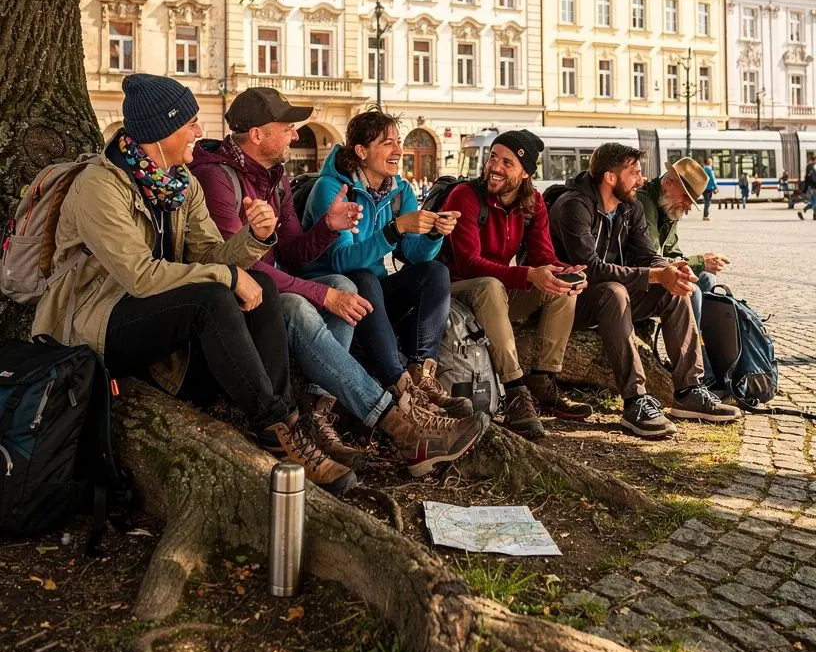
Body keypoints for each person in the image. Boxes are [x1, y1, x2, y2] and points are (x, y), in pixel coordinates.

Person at [31, 73, 356, 497]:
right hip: (95, 322)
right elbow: (141, 275)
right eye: (190, 123)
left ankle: (286, 424)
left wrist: (252, 239)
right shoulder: (100, 186)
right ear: (160, 131)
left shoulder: (180, 183)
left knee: (261, 283)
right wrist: (228, 275)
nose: (200, 131)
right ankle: (275, 427)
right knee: (212, 296)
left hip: (158, 312)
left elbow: (210, 255)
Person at [193, 85, 402, 469]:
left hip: (273, 284)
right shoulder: (216, 179)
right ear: (257, 135)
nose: (295, 134)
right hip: (238, 297)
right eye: (287, 127)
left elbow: (291, 253)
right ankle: (389, 416)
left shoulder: (276, 176)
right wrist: (320, 297)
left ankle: (319, 411)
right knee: (305, 302)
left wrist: (327, 226)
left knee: (343, 286)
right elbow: (245, 266)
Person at [301, 110, 487, 474]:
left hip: (369, 289)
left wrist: (433, 233)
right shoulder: (333, 189)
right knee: (364, 278)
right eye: (387, 143)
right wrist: (393, 230)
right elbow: (340, 260)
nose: (397, 150)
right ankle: (400, 387)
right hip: (330, 287)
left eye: (399, 142)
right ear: (361, 150)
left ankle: (423, 375)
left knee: (434, 271)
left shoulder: (400, 191)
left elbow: (412, 254)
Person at [548, 143, 738, 439]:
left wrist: (669, 271)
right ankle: (635, 400)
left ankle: (689, 391)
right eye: (634, 173)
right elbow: (591, 269)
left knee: (676, 290)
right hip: (570, 300)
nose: (641, 180)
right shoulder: (575, 206)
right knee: (614, 291)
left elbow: (647, 255)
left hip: (613, 295)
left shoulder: (631, 205)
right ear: (610, 177)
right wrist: (654, 274)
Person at [443, 130, 591, 438]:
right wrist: (527, 275)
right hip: (457, 294)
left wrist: (567, 271)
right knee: (490, 285)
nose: (494, 166)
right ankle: (515, 391)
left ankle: (543, 383)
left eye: (506, 162)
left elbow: (542, 257)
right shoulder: (465, 196)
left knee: (560, 288)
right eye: (493, 157)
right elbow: (469, 264)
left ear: (525, 172)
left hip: (495, 295)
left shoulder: (534, 202)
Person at [636, 158, 730, 383]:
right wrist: (698, 261)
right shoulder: (644, 203)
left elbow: (674, 253)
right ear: (669, 183)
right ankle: (696, 375)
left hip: (655, 272)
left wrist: (692, 265)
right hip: (639, 277)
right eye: (687, 198)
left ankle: (715, 361)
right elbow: (652, 258)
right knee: (692, 291)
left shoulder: (668, 205)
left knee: (706, 279)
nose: (688, 206)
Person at [798, 155, 816, 221]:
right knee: (814, 202)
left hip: (811, 187)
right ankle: (802, 211)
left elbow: (807, 178)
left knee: (814, 202)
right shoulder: (811, 167)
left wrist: (805, 189)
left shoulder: (809, 166)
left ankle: (814, 216)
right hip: (813, 187)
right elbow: (811, 177)